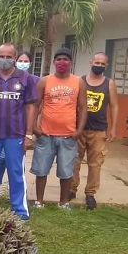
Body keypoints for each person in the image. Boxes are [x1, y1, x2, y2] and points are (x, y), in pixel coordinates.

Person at [0, 44, 38, 220]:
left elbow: (31, 107)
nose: (5, 59)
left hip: (15, 134)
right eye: (2, 56)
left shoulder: (25, 79)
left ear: (15, 57)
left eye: (9, 56)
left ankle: (19, 211)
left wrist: (28, 134)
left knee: (16, 172)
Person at [31, 47, 87, 209]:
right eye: (59, 59)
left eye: (65, 59)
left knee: (66, 171)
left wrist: (79, 131)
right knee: (41, 170)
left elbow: (83, 108)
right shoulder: (44, 81)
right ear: (54, 62)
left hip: (68, 136)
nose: (62, 62)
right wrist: (34, 128)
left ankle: (63, 202)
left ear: (71, 62)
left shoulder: (78, 82)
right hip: (46, 135)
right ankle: (39, 201)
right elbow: (35, 105)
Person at [70, 52, 119, 210]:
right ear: (91, 62)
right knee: (73, 161)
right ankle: (71, 189)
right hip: (79, 129)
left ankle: (90, 193)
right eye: (96, 62)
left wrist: (113, 128)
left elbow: (114, 106)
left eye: (102, 64)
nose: (99, 66)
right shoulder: (80, 81)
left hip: (99, 130)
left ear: (106, 65)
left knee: (95, 163)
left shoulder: (109, 84)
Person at [0, 50, 39, 196]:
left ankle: (18, 191)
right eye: (21, 60)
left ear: (30, 63)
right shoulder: (0, 78)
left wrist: (30, 131)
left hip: (20, 129)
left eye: (26, 61)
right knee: (0, 159)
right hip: (1, 128)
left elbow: (34, 105)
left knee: (16, 162)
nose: (23, 64)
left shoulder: (34, 80)